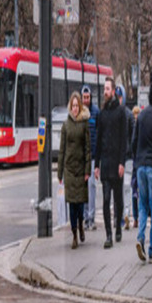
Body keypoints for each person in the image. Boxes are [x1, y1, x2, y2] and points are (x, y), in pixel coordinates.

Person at [132, 83, 152, 263]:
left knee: (142, 206)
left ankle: (139, 238)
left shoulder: (141, 117)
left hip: (140, 166)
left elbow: (133, 141)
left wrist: (137, 161)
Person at [94, 77, 127, 249]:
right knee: (106, 200)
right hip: (105, 164)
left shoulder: (120, 112)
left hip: (117, 164)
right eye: (104, 89)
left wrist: (122, 162)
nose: (105, 92)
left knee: (118, 200)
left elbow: (124, 140)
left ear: (113, 91)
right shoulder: (102, 113)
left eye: (107, 89)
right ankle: (108, 234)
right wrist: (96, 164)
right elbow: (98, 140)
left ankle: (118, 227)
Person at [57, 91, 91, 250]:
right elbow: (62, 149)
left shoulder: (84, 124)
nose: (76, 108)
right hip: (69, 170)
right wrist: (59, 172)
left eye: (78, 106)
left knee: (80, 206)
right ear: (71, 107)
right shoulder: (66, 125)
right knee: (72, 205)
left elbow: (87, 149)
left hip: (81, 169)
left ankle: (81, 224)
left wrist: (87, 170)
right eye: (74, 106)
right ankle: (75, 234)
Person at [116, 85, 135, 231]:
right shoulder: (118, 114)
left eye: (119, 97)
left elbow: (133, 136)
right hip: (119, 157)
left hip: (127, 157)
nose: (118, 99)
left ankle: (125, 214)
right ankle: (122, 214)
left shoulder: (127, 115)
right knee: (120, 188)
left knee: (125, 186)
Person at [81, 85, 99, 231]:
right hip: (82, 157)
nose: (86, 100)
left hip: (93, 156)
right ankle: (85, 216)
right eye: (84, 98)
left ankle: (91, 217)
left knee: (91, 187)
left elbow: (98, 135)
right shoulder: (79, 113)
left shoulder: (95, 112)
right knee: (83, 187)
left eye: (87, 97)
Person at [131, 105, 141, 227]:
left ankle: (139, 216)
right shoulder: (133, 127)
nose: (136, 116)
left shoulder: (141, 128)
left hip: (140, 162)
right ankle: (135, 217)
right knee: (134, 191)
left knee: (141, 191)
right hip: (134, 162)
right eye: (135, 114)